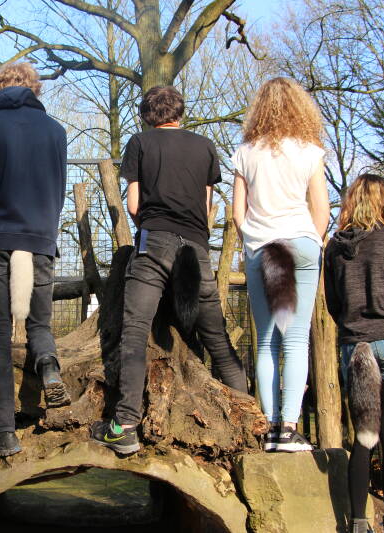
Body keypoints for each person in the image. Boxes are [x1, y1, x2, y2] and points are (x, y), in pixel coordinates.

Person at [90, 85, 248, 455]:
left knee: (134, 332)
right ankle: (247, 426)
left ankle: (124, 426)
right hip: (196, 250)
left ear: (147, 115)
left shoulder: (140, 143)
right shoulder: (205, 146)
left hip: (154, 245)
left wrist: (153, 222)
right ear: (180, 112)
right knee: (218, 341)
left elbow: (133, 205)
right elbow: (206, 208)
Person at [0, 62, 68, 457]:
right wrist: (42, 231)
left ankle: (3, 434)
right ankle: (49, 367)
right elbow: (59, 191)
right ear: (35, 89)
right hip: (39, 239)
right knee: (39, 323)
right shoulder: (56, 131)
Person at [231, 77, 329, 453]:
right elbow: (321, 209)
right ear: (300, 108)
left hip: (262, 249)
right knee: (297, 338)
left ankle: (272, 430)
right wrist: (313, 242)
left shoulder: (245, 153)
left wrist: (253, 243)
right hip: (301, 245)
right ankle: (290, 428)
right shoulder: (310, 151)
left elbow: (238, 212)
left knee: (267, 341)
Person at [324, 174, 384, 533]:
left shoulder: (334, 246)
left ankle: (358, 521)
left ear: (351, 201)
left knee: (363, 435)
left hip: (355, 346)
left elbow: (333, 302)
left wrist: (352, 327)